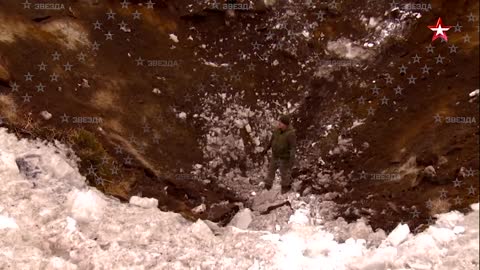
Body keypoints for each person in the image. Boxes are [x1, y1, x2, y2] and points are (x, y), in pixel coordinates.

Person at [262, 114, 296, 194]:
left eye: (280, 123)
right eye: (279, 122)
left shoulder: (290, 134)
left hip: (284, 158)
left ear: (285, 124)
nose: (279, 124)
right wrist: (266, 149)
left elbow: (293, 148)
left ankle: (285, 187)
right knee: (271, 171)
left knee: (284, 173)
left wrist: (292, 159)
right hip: (275, 156)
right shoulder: (276, 131)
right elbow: (271, 141)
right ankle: (268, 186)